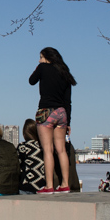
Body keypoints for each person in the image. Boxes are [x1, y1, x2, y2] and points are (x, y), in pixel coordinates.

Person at [29, 47, 77, 194]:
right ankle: (65, 184)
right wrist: (68, 122)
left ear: (47, 58)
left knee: (48, 150)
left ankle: (49, 186)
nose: (39, 60)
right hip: (61, 113)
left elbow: (31, 81)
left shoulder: (42, 67)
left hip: (46, 112)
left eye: (41, 57)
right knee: (61, 150)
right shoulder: (65, 74)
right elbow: (68, 101)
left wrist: (40, 66)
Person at [17, 118, 45, 194]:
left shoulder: (23, 147)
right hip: (42, 186)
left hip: (26, 186)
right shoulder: (44, 147)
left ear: (24, 133)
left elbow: (17, 166)